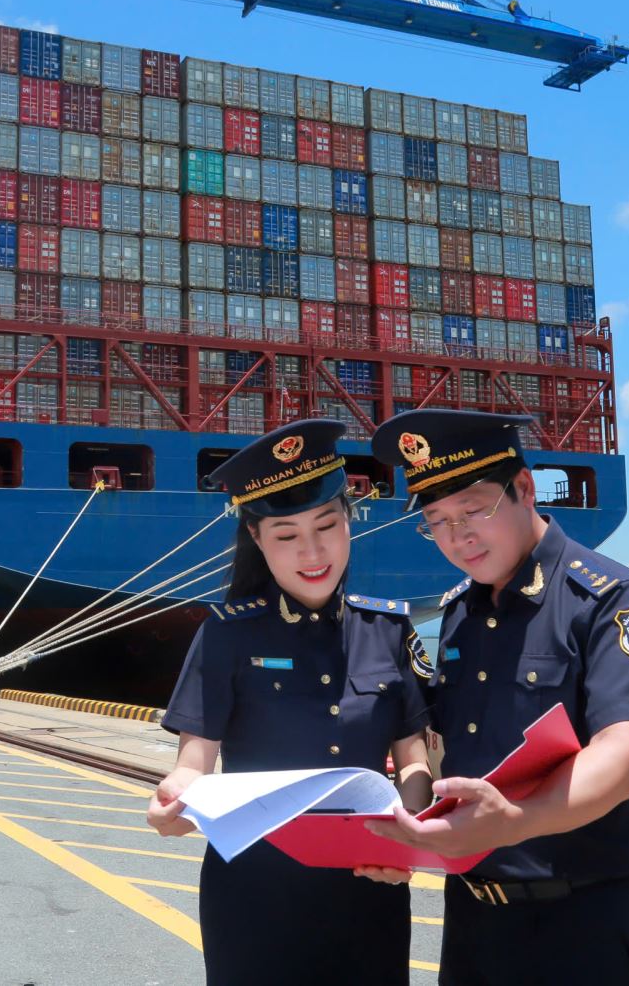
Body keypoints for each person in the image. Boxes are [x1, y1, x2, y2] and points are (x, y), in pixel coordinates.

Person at [361, 409, 629, 986]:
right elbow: (437, 747)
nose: (458, 536)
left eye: (474, 510)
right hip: (473, 925)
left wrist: (514, 822)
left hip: (587, 929)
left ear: (524, 488)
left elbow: (624, 755)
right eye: (437, 522)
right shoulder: (460, 613)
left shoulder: (612, 599)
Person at [146, 418, 435, 986]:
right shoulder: (226, 634)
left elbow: (414, 760)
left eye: (327, 525)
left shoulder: (388, 630)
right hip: (254, 894)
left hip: (369, 888)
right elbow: (193, 763)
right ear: (256, 539)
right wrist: (175, 803)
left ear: (350, 519)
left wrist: (409, 834)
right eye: (286, 535)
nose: (312, 551)